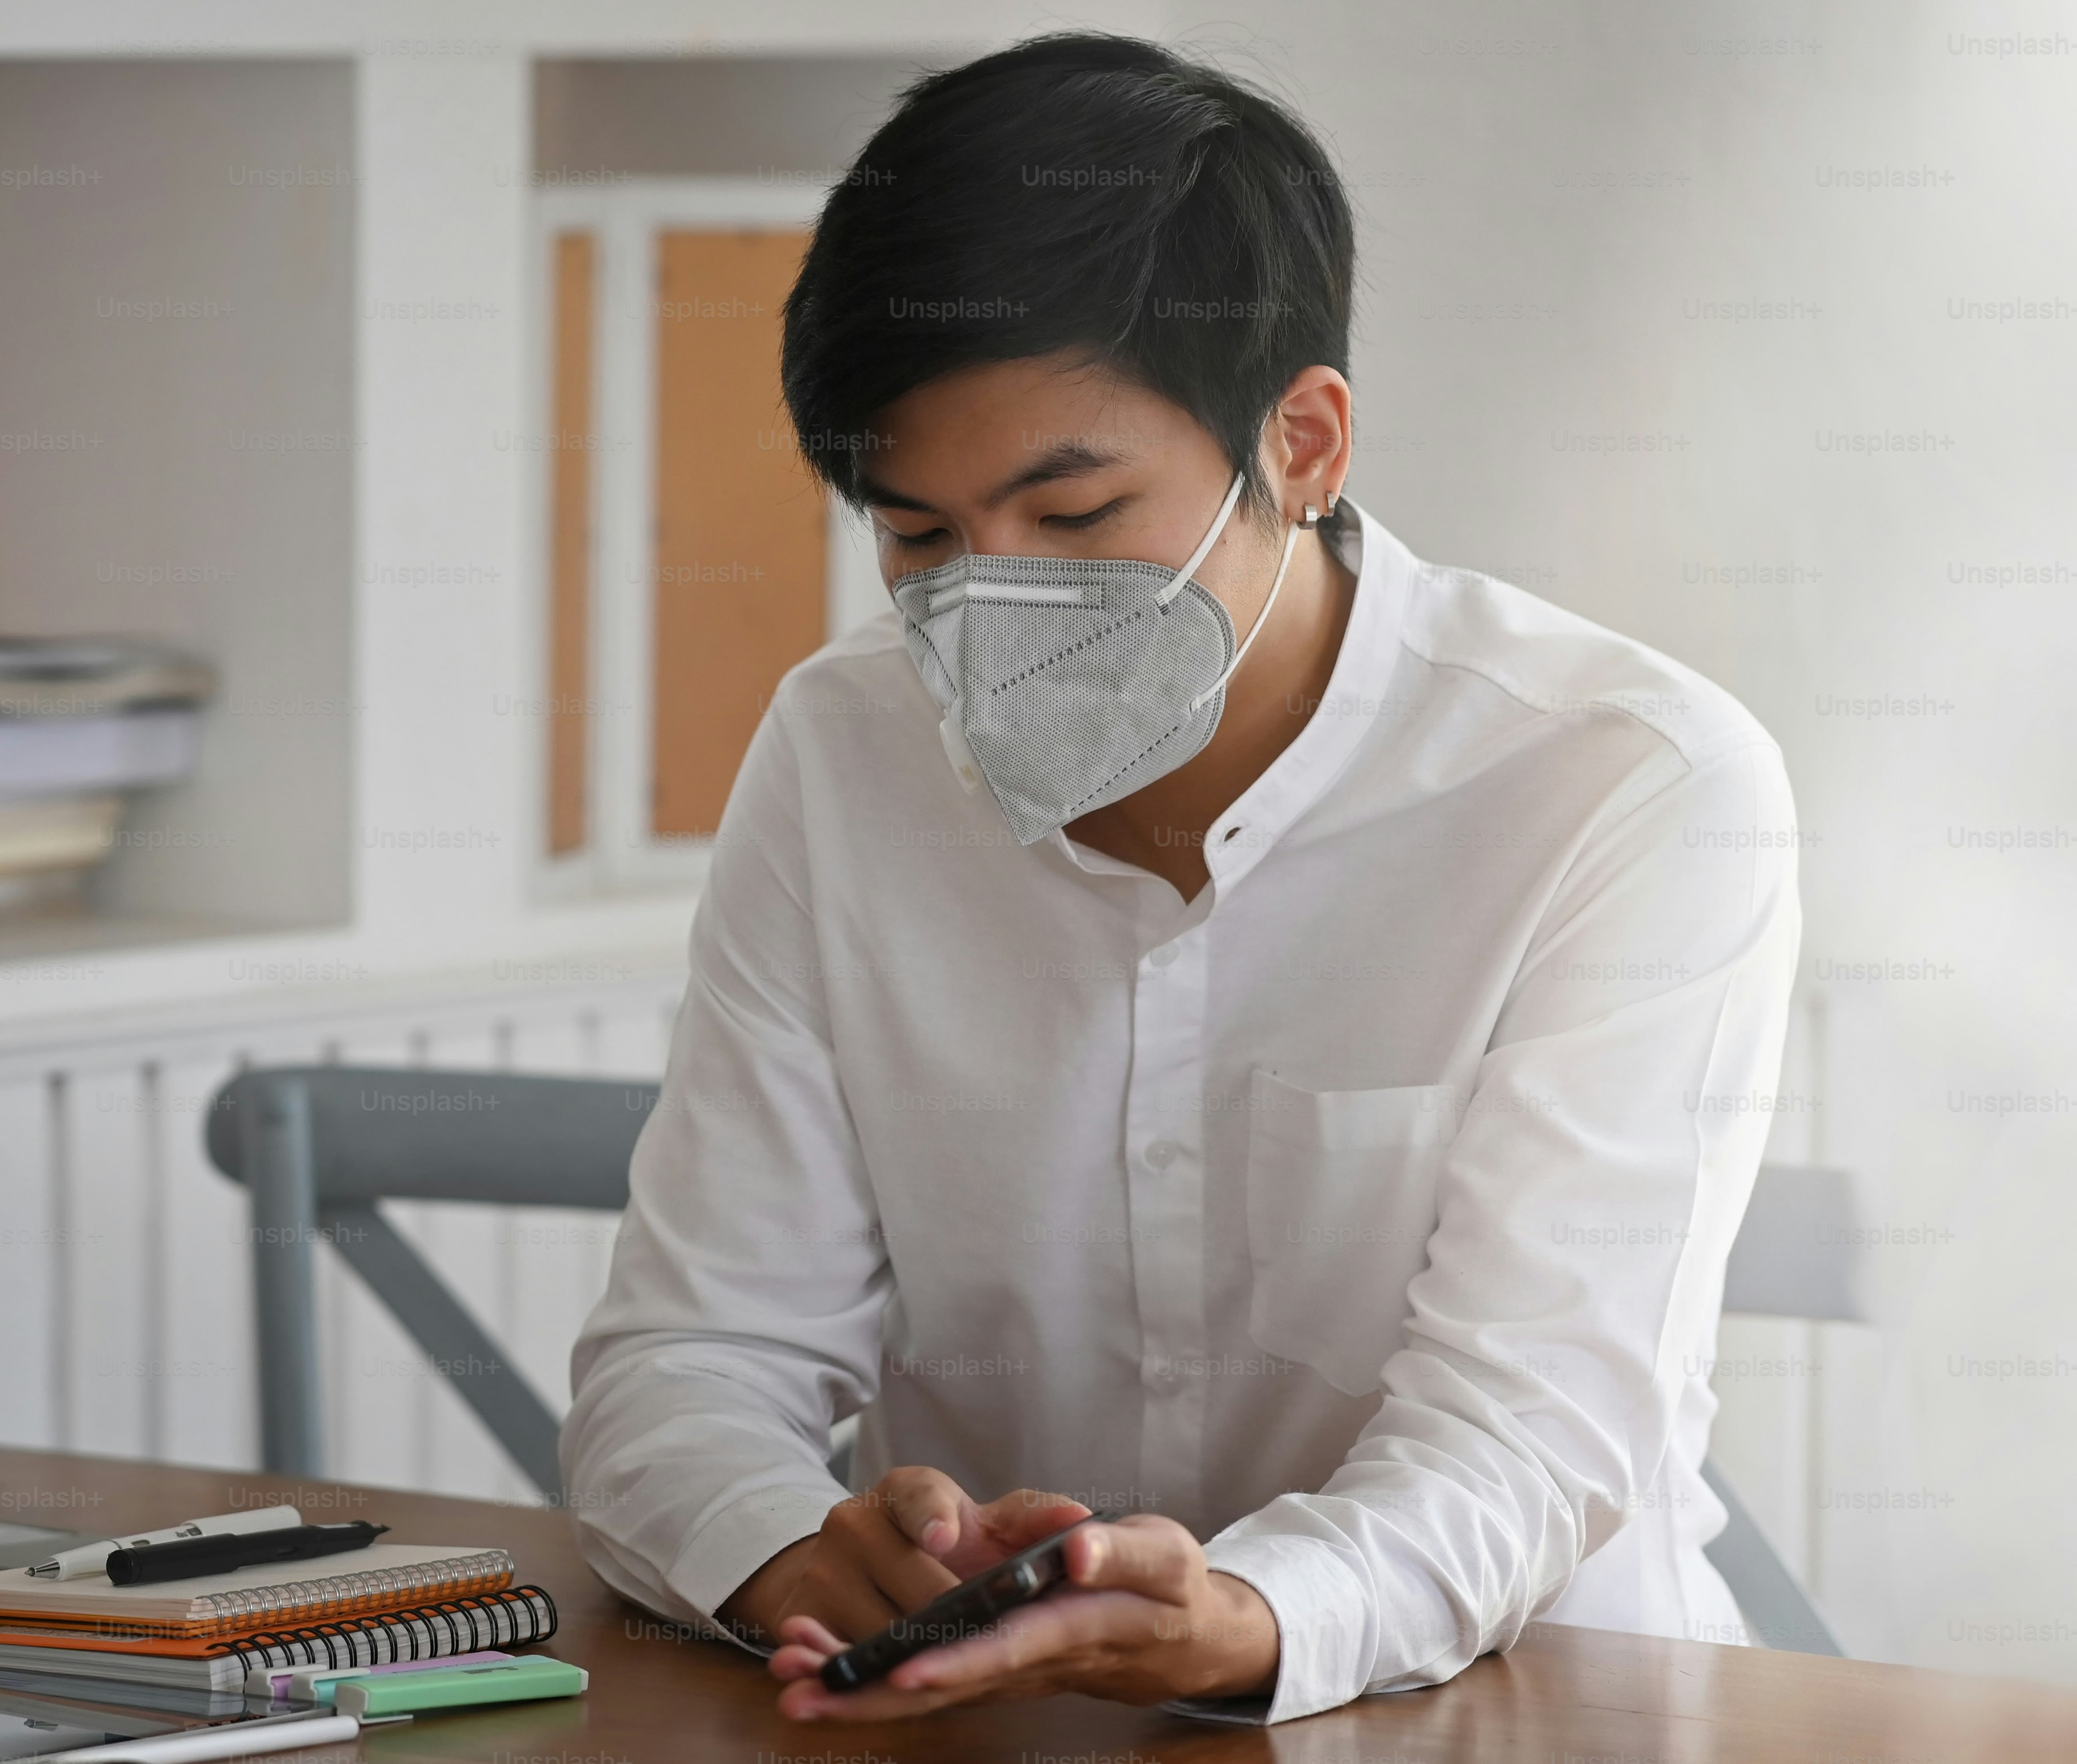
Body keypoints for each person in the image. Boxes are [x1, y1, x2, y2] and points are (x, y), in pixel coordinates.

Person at [559, 32, 1801, 1726]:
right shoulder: (844, 750)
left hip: (1524, 1711)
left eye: (1072, 518)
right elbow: (688, 1359)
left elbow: (1532, 1435)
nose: (987, 609)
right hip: (995, 1727)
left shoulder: (1622, 780)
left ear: (1300, 442)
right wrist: (792, 1549)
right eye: (917, 535)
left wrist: (1237, 1613)